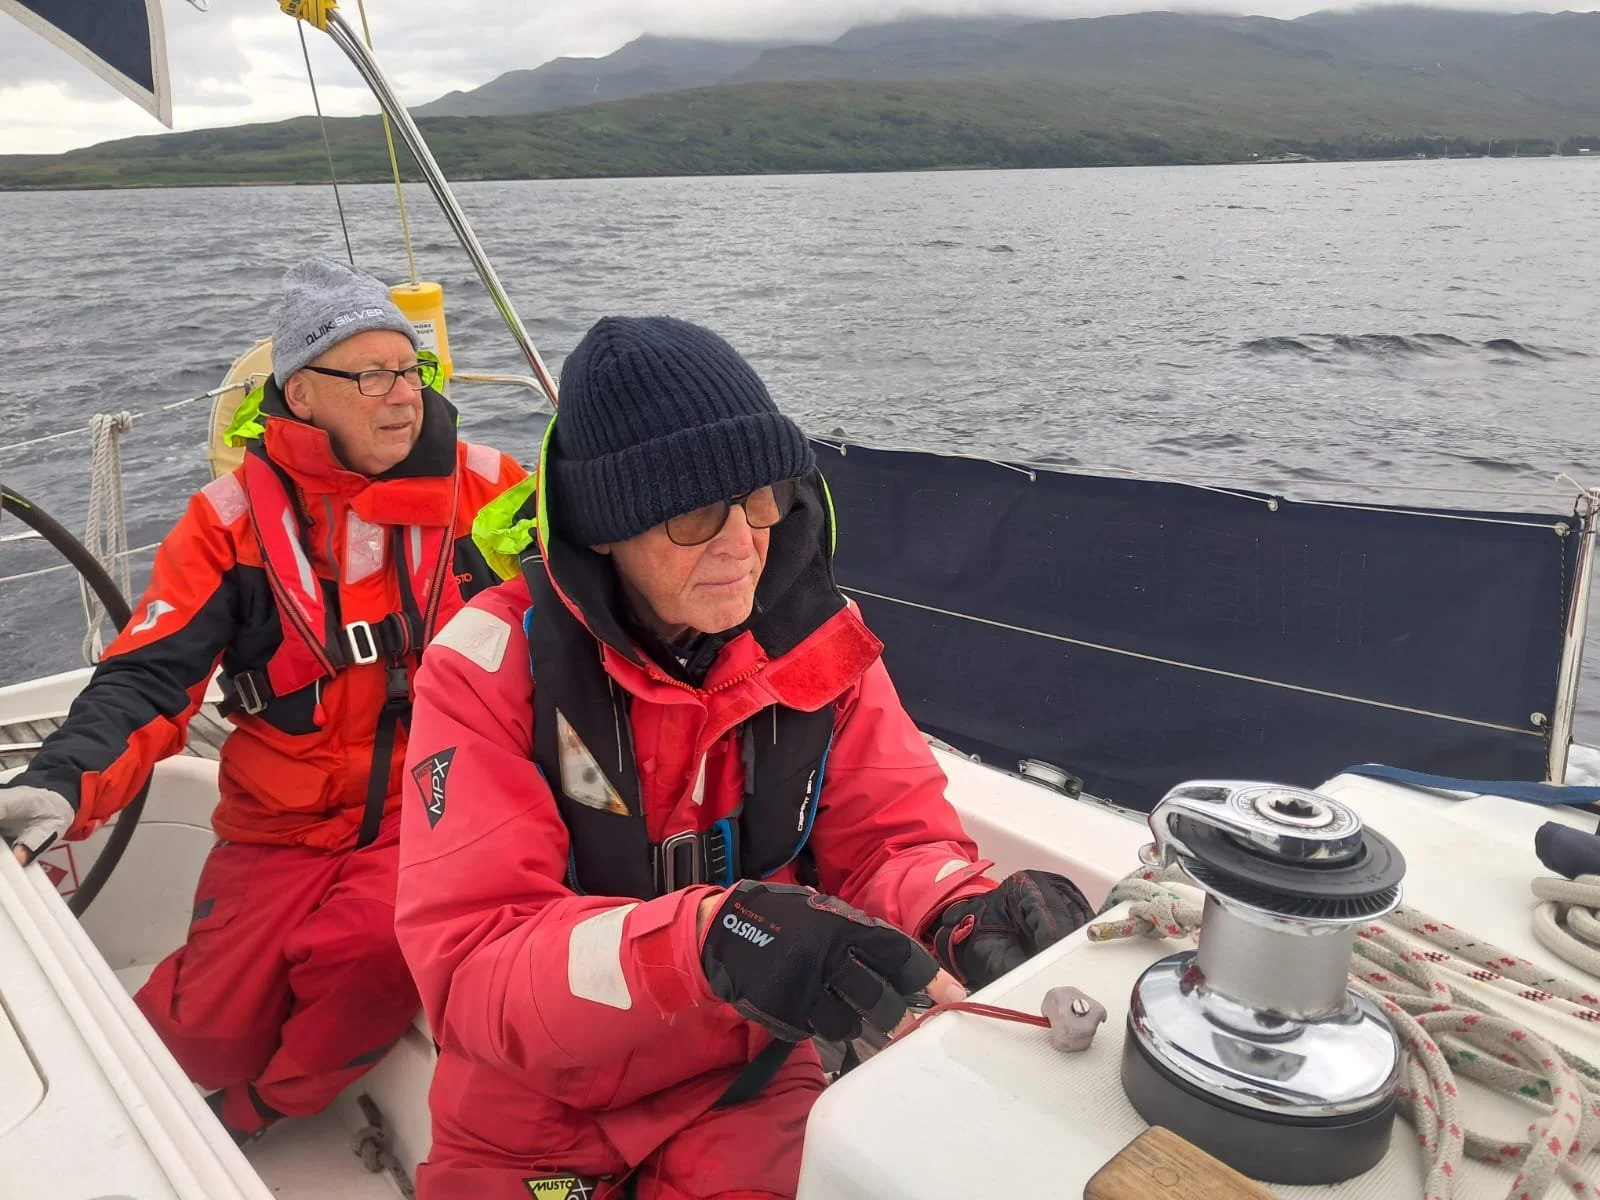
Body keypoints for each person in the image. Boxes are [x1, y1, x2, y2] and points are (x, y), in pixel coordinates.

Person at [395, 315, 1093, 1200]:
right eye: (694, 514)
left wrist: (960, 913)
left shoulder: (818, 651)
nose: (742, 544)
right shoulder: (488, 669)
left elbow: (886, 841)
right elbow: (471, 970)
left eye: (761, 498)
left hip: (745, 1079)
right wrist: (707, 942)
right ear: (604, 529)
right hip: (537, 1102)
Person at [0, 257, 526, 1145]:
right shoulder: (230, 521)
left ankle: (253, 1116)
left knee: (371, 953)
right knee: (205, 1029)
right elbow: (149, 677)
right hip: (278, 825)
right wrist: (60, 783)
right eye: (368, 374)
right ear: (301, 393)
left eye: (411, 370)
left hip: (431, 812)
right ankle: (156, 1108)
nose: (400, 395)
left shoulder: (488, 491)